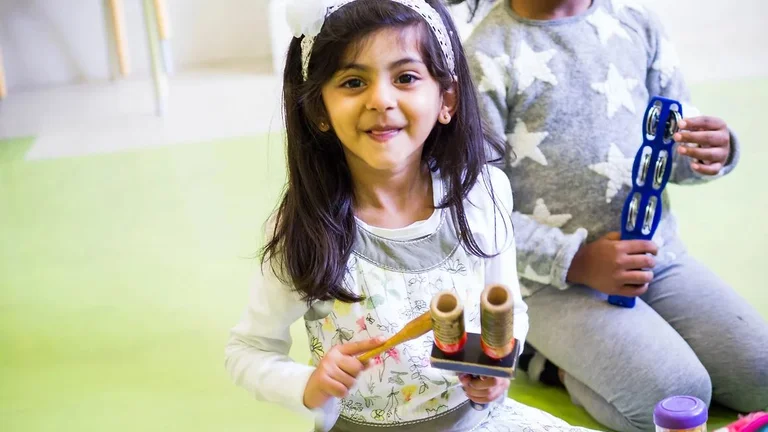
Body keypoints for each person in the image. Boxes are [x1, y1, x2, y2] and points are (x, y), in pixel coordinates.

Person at [224, 1, 599, 431]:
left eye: (405, 77)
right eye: (352, 81)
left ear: (447, 99)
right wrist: (308, 383)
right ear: (318, 111)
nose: (380, 100)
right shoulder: (304, 230)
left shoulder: (482, 193)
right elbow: (247, 351)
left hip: (479, 422)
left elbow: (508, 308)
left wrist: (497, 369)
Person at [450, 0, 768, 431]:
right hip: (550, 285)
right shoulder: (483, 54)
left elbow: (673, 148)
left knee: (762, 375)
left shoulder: (637, 25)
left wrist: (711, 151)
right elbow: (476, 208)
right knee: (673, 396)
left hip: (659, 259)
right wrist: (576, 261)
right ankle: (550, 366)